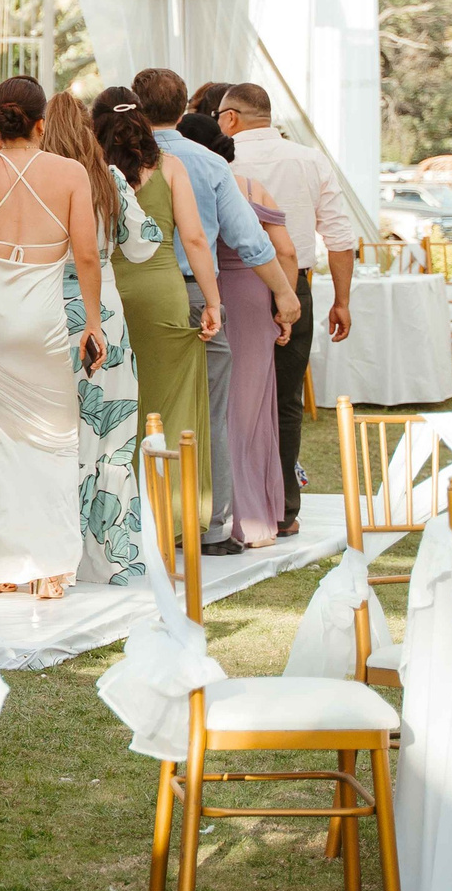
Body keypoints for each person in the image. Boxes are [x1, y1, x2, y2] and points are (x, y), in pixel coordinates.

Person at [133, 67, 295, 555]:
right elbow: (249, 240)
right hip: (193, 295)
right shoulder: (207, 162)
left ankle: (140, 517)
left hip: (130, 297)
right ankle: (213, 527)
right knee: (211, 410)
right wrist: (284, 293)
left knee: (139, 406)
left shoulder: (117, 156)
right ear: (183, 105)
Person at [0, 76, 99, 595]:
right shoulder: (71, 173)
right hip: (39, 318)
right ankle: (49, 568)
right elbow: (86, 255)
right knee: (51, 440)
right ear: (41, 123)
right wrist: (94, 321)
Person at [218, 82, 357, 535]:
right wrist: (342, 301)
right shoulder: (310, 159)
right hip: (295, 285)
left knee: (232, 397)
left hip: (232, 286)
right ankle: (284, 510)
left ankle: (235, 503)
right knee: (286, 400)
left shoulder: (222, 160)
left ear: (231, 117)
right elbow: (340, 237)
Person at [41, 92, 158, 585]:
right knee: (111, 434)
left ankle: (52, 552)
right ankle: (108, 555)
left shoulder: (37, 177)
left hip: (46, 307)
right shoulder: (107, 178)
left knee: (55, 430)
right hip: (101, 311)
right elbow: (144, 244)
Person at [94, 86, 223, 528]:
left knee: (115, 403)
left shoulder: (88, 170)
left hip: (108, 293)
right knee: (165, 402)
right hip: (162, 292)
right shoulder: (170, 167)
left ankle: (116, 517)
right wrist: (212, 301)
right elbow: (195, 239)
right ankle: (168, 516)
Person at [180, 113, 298, 546]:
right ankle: (254, 518)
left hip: (205, 291)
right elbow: (284, 250)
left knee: (213, 407)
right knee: (250, 410)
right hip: (251, 296)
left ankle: (210, 512)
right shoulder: (250, 187)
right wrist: (284, 302)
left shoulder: (179, 184)